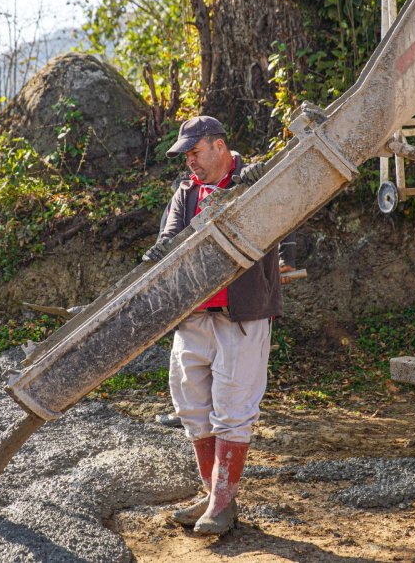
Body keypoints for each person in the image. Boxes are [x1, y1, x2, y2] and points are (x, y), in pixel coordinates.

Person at [142, 115, 290, 535]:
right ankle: (213, 496)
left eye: (194, 152)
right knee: (191, 404)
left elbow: (290, 217)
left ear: (220, 146)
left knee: (233, 407)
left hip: (241, 316)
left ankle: (222, 505)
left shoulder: (256, 181)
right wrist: (155, 260)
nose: (190, 162)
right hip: (192, 316)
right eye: (186, 155)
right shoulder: (185, 194)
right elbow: (170, 239)